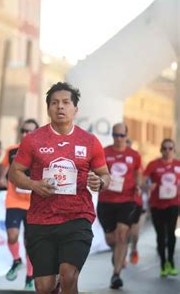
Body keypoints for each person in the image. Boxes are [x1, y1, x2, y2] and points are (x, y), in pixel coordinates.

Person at [9, 82, 110, 294]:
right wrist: (33, 184)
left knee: (68, 275)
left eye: (65, 103)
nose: (60, 107)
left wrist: (99, 182)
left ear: (75, 109)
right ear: (48, 109)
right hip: (41, 219)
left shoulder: (89, 141)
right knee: (43, 287)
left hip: (77, 218)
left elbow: (105, 175)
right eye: (54, 103)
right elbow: (14, 173)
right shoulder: (33, 140)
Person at [97, 123, 142, 289]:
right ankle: (117, 253)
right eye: (115, 135)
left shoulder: (134, 155)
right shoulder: (105, 152)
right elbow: (97, 170)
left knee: (122, 235)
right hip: (106, 200)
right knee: (111, 239)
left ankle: (116, 275)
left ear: (126, 136)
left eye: (122, 136)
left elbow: (138, 173)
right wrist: (101, 180)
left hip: (127, 200)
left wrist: (138, 185)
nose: (118, 139)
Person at [0, 119, 39, 289]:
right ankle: (16, 260)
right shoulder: (11, 151)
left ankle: (30, 276)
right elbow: (2, 176)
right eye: (23, 130)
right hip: (14, 201)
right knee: (12, 235)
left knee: (30, 242)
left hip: (34, 204)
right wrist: (3, 180)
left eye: (29, 131)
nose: (25, 134)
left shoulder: (41, 152)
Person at [143, 138, 179, 277]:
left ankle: (171, 261)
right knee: (160, 235)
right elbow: (143, 180)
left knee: (171, 234)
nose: (167, 151)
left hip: (173, 203)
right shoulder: (153, 164)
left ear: (174, 150)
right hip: (157, 204)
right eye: (165, 148)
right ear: (160, 150)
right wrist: (148, 186)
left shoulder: (178, 165)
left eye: (170, 148)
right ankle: (163, 263)